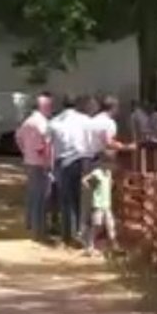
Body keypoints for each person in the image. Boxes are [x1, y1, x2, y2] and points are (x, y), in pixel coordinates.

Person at [48, 95, 95, 243]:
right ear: (76, 104)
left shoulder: (54, 122)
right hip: (81, 161)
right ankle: (80, 232)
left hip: (62, 162)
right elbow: (90, 143)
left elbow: (50, 144)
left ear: (62, 105)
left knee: (65, 198)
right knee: (80, 198)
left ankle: (67, 233)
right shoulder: (85, 121)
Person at [16, 92, 54, 239]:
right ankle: (39, 229)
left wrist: (25, 151)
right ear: (43, 107)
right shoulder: (43, 123)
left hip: (30, 161)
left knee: (32, 194)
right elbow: (45, 145)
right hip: (40, 163)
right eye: (49, 106)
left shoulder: (28, 121)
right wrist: (47, 163)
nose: (51, 109)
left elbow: (18, 137)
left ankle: (30, 223)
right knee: (42, 196)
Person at [83, 155, 117, 255]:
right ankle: (90, 246)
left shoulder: (108, 174)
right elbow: (84, 180)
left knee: (110, 225)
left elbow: (110, 184)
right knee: (96, 225)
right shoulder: (97, 172)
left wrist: (111, 185)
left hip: (106, 204)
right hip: (98, 203)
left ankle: (114, 246)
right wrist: (90, 188)